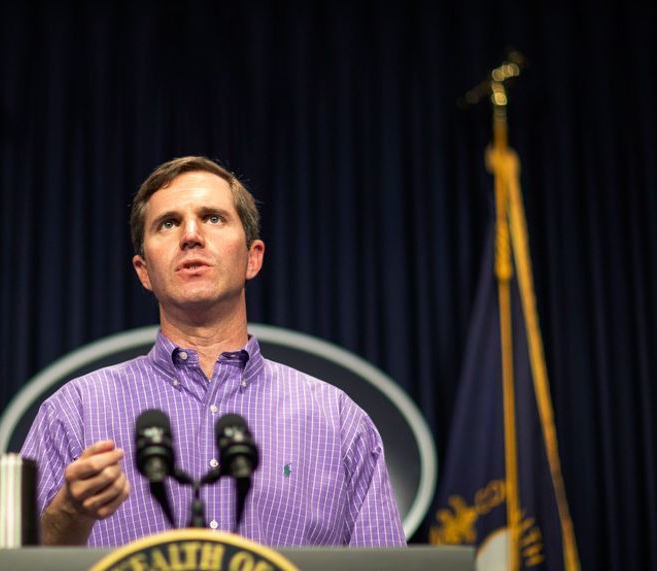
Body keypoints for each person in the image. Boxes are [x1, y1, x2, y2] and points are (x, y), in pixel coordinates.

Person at [20, 156, 406, 547]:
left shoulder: (338, 421)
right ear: (143, 270)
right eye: (168, 223)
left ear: (252, 258)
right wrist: (68, 515)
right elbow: (12, 568)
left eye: (213, 218)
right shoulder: (76, 412)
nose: (191, 235)